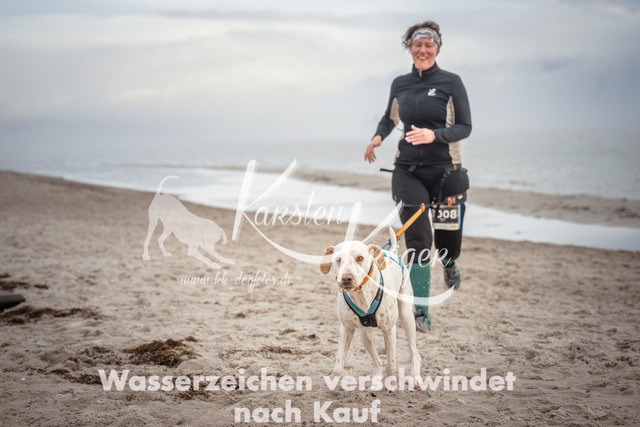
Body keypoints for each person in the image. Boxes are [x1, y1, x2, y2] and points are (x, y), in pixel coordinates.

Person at [364, 21, 472, 331]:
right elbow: (390, 118)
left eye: (428, 45)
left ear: (437, 48)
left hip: (446, 172)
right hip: (407, 171)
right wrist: (377, 137)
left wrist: (433, 135)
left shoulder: (451, 82)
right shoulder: (400, 84)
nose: (422, 50)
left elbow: (465, 127)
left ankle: (449, 263)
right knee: (420, 241)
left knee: (447, 245)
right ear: (410, 48)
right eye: (417, 45)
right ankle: (421, 313)